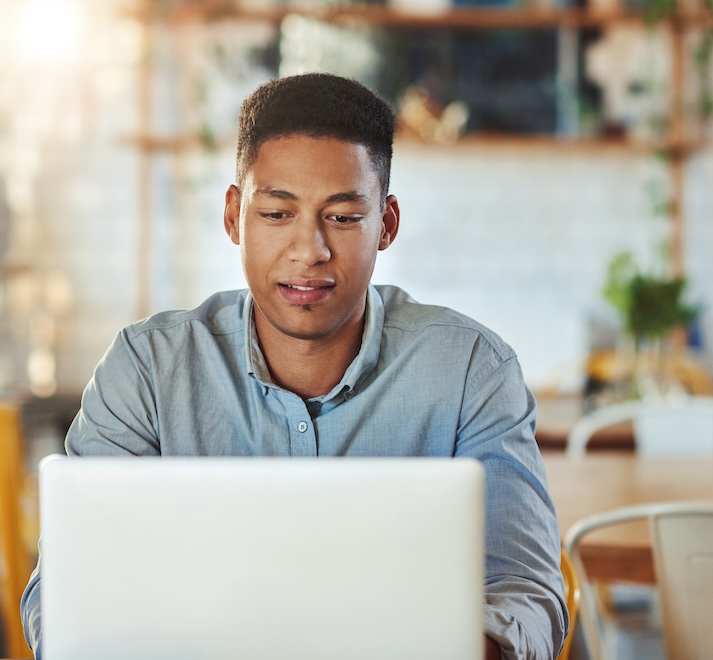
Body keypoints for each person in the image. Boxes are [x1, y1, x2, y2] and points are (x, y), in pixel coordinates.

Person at [20, 73, 568, 660]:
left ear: (386, 224)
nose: (309, 251)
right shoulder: (147, 371)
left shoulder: (471, 372)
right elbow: (61, 593)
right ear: (234, 216)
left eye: (343, 217)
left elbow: (527, 592)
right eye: (278, 214)